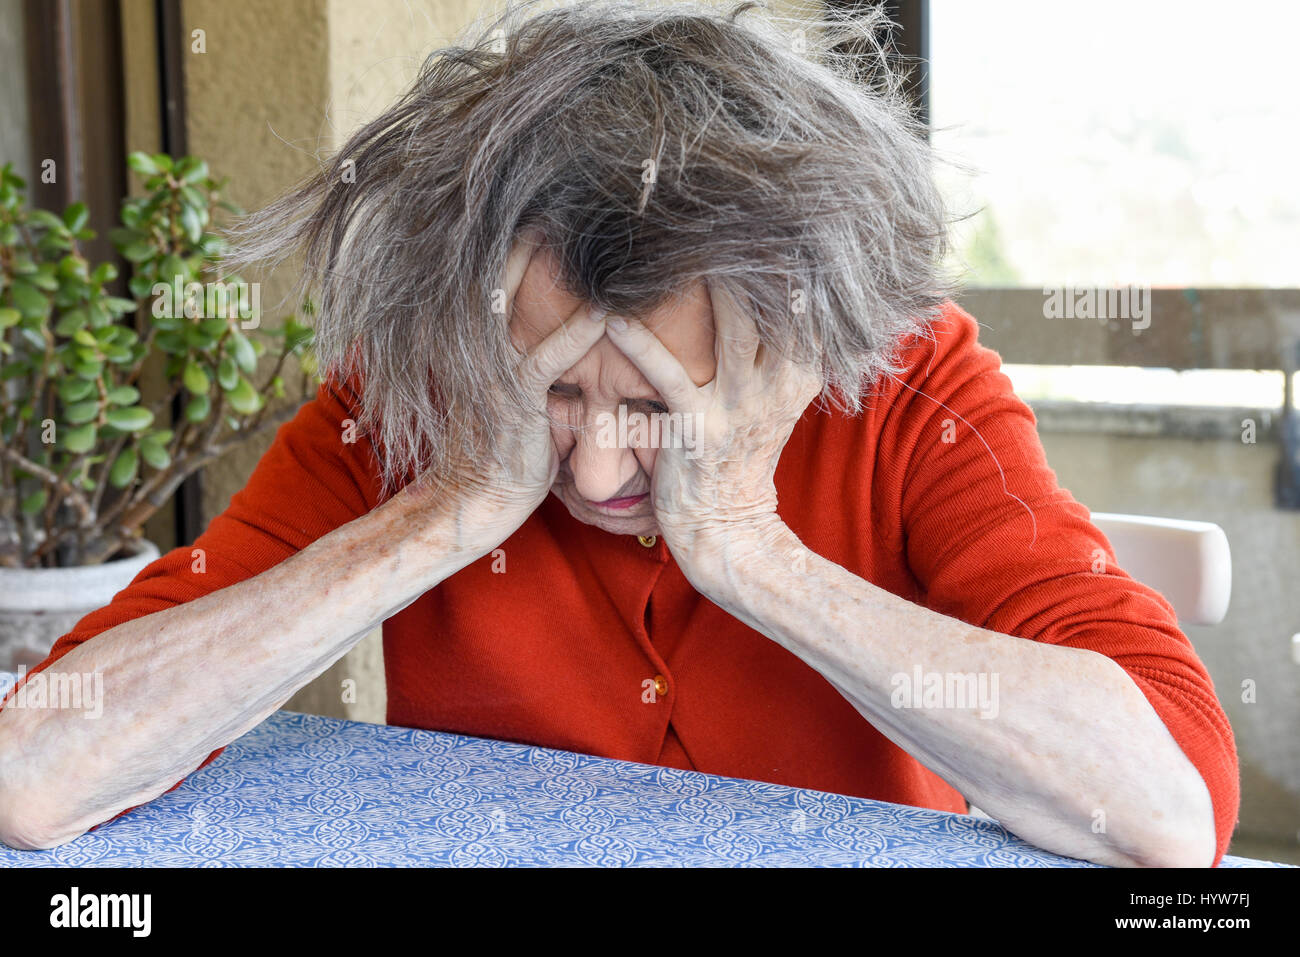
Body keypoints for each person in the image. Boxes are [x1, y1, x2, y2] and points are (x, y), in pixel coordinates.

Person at [0, 0, 1237, 866]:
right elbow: (38, 774)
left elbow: (1167, 813)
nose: (592, 470)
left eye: (655, 407)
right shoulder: (423, 390)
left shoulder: (911, 388)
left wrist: (749, 549)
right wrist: (442, 511)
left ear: (802, 333)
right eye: (554, 395)